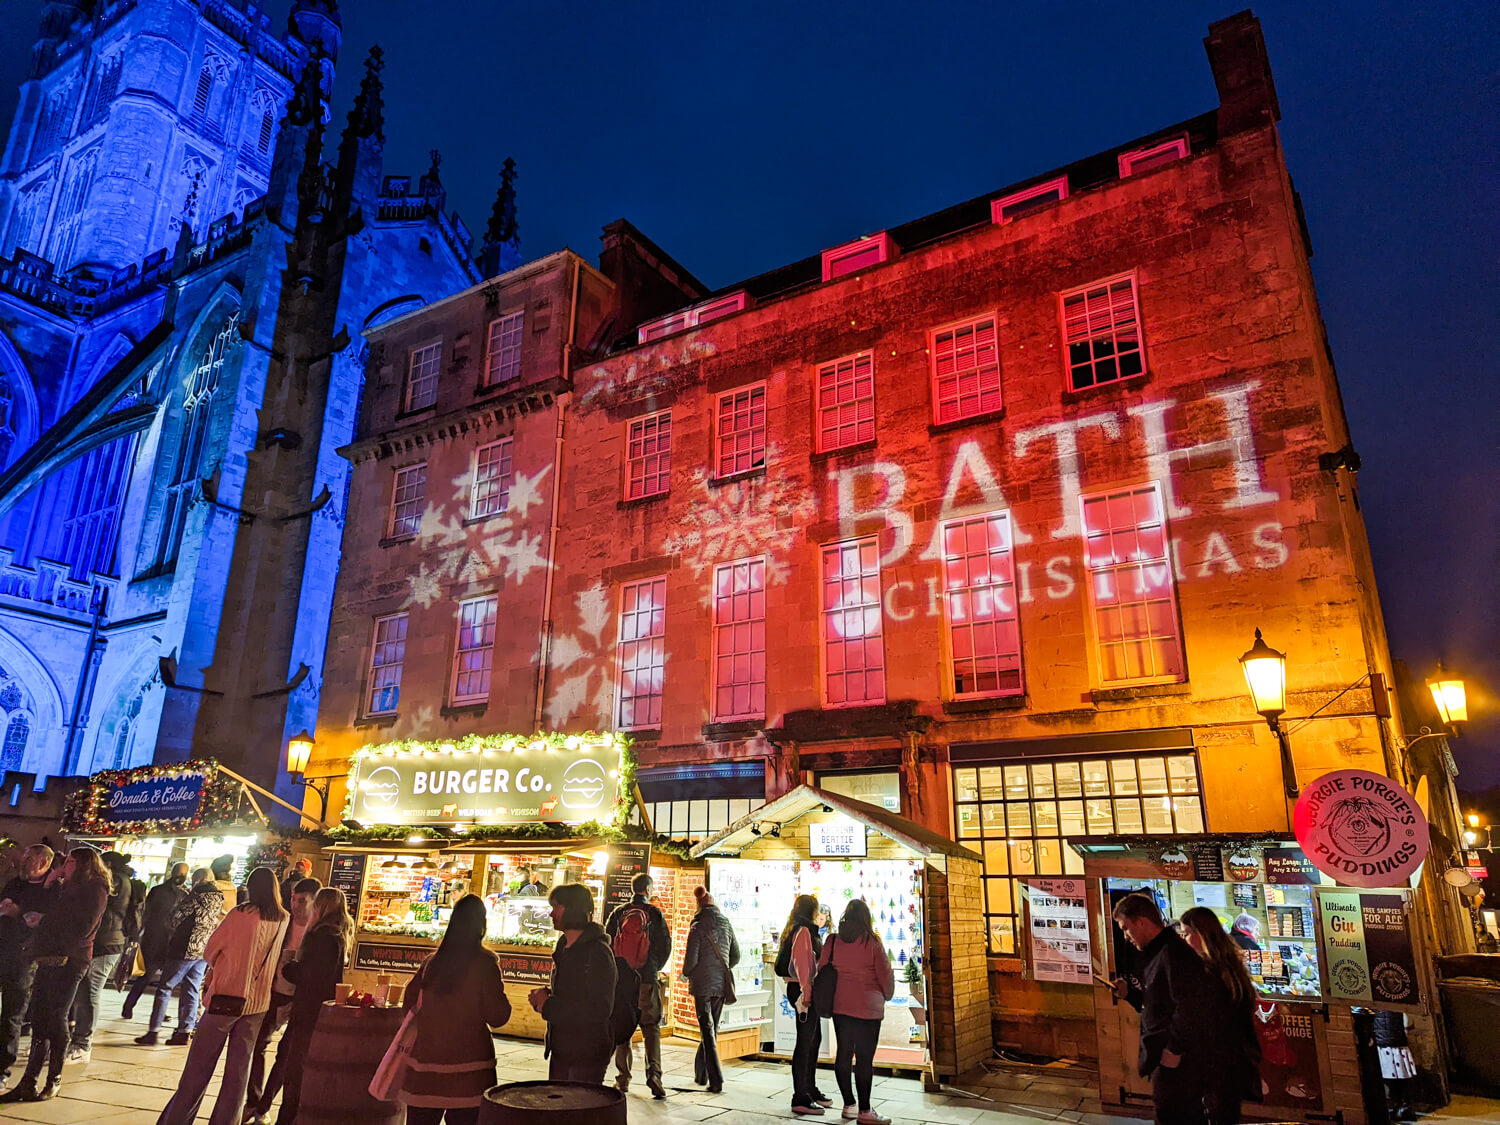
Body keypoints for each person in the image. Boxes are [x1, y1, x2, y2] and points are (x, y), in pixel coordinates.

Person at [153, 867, 287, 1125]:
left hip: (226, 998)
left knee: (199, 1067)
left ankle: (177, 1120)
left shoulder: (240, 914)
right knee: (238, 1072)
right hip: (258, 1004)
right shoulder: (283, 919)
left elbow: (211, 949)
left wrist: (225, 966)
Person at [0, 847, 109, 1102]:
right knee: (39, 1017)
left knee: (57, 1019)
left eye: (71, 862)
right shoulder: (64, 887)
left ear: (85, 865)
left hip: (72, 960)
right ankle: (28, 1081)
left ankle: (54, 1079)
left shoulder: (95, 890)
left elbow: (82, 928)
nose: (66, 866)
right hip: (47, 956)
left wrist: (43, 920)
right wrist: (50, 885)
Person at [392, 894, 510, 1125]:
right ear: (481, 925)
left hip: (426, 1066)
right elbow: (498, 1016)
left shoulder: (432, 964)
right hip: (471, 1070)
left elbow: (409, 1005)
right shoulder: (485, 964)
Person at [1110, 893, 1220, 1125]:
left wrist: (1174, 1049)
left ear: (1141, 922)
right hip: (1167, 1060)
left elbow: (1190, 1005)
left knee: (1178, 1117)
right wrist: (1130, 994)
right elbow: (1160, 1004)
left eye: (1126, 928)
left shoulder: (1172, 954)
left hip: (1178, 1066)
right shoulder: (1160, 952)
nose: (1125, 936)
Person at [263, 887, 353, 1125]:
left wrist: (288, 967)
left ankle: (288, 1116)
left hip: (306, 1008)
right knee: (294, 1060)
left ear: (320, 906)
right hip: (323, 1008)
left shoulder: (320, 935)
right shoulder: (339, 934)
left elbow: (308, 974)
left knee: (294, 1065)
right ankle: (270, 1107)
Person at [245, 876, 319, 1120]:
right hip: (274, 991)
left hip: (299, 998)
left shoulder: (317, 931)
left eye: (301, 901)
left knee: (286, 1055)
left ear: (314, 902)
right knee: (258, 1045)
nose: (295, 905)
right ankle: (253, 1099)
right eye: (292, 899)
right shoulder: (284, 922)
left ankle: (264, 1105)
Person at [1180, 907, 1261, 1125]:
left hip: (1215, 1067)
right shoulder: (1231, 968)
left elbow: (1205, 1022)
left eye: (1187, 933)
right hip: (1232, 1066)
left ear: (1201, 935)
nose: (1184, 940)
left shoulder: (1208, 973)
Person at [816, 899, 894, 1124]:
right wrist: (887, 995)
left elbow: (822, 970)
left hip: (841, 1007)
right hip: (868, 1010)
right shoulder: (872, 942)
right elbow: (885, 976)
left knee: (843, 1054)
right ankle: (865, 1111)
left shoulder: (832, 941)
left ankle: (849, 1104)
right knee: (864, 1059)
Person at [529, 883, 615, 1083]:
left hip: (586, 1051)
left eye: (556, 907)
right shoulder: (564, 945)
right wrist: (545, 998)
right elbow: (573, 992)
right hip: (562, 1047)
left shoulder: (597, 952)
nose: (551, 914)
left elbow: (599, 1008)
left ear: (572, 908)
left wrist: (548, 1005)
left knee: (575, 1109)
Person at [603, 871, 671, 1098]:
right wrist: (651, 967)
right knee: (651, 1028)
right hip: (647, 979)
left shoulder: (618, 913)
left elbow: (607, 941)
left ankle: (622, 1080)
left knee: (623, 1028)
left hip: (622, 980)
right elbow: (665, 947)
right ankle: (654, 1076)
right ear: (648, 890)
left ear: (632, 888)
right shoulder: (654, 914)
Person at [139, 868, 224, 1045]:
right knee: (192, 989)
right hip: (203, 950)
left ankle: (153, 1031)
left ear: (199, 880)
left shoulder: (196, 896)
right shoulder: (218, 898)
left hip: (184, 948)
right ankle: (184, 1031)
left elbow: (175, 918)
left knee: (165, 987)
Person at [65, 849, 132, 1062]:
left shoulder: (110, 884)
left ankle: (83, 1043)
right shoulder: (117, 882)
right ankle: (76, 1038)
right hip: (106, 942)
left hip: (105, 944)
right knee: (82, 992)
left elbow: (98, 913)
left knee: (89, 993)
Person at [0, 845, 55, 1084]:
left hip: (23, 957)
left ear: (43, 863)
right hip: (2, 945)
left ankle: (2, 1068)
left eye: (29, 859)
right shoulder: (14, 883)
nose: (23, 862)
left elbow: (46, 923)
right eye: (23, 857)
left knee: (12, 1014)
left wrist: (19, 913)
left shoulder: (51, 891)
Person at [778, 894, 833, 1116]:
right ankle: (800, 1096)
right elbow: (803, 964)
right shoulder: (803, 931)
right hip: (803, 991)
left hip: (804, 989)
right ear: (811, 910)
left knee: (814, 1040)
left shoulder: (799, 929)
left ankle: (809, 1089)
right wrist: (807, 994)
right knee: (805, 1043)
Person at [680, 885, 738, 1095]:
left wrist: (686, 973)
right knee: (711, 1030)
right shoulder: (725, 923)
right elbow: (736, 955)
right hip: (721, 983)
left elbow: (691, 959)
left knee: (707, 1030)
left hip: (703, 984)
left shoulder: (697, 926)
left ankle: (716, 1079)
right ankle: (701, 1073)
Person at [122, 863, 190, 1020]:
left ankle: (147, 1009)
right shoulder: (175, 893)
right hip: (160, 940)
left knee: (154, 978)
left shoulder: (163, 891)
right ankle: (132, 1006)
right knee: (152, 977)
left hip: (160, 939)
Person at [1373, 1010, 1417, 1121]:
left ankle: (1399, 1107)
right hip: (1393, 1039)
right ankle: (1402, 1107)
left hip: (1385, 1040)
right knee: (1398, 1076)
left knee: (1391, 1078)